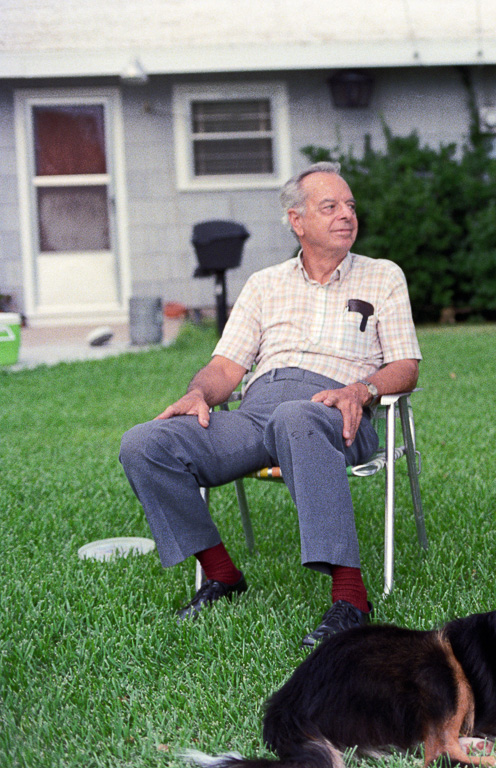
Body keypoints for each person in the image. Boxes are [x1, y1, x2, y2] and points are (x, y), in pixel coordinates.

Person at [120, 161, 421, 646]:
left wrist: (360, 389)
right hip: (258, 413)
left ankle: (350, 598)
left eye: (350, 206)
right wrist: (199, 393)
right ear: (297, 220)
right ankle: (222, 576)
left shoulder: (382, 278)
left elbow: (406, 366)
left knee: (297, 415)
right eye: (330, 206)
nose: (346, 214)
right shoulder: (264, 284)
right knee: (145, 443)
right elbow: (224, 368)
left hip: (337, 413)